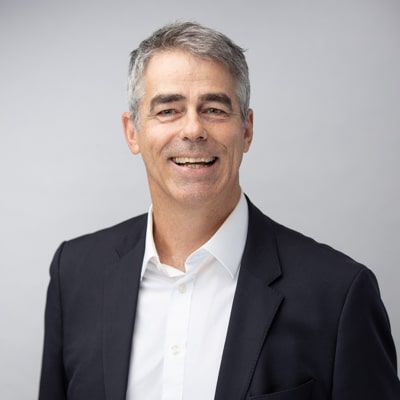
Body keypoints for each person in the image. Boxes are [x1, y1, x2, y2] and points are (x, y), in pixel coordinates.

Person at [39, 22, 400, 400]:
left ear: (246, 130)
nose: (193, 129)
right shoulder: (74, 273)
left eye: (213, 109)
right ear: (133, 132)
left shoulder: (338, 295)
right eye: (168, 110)